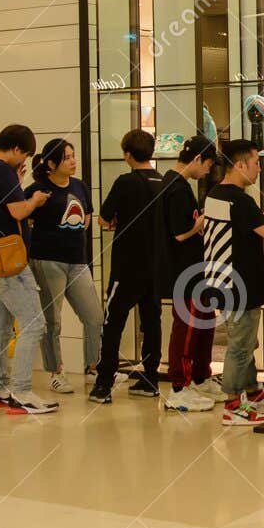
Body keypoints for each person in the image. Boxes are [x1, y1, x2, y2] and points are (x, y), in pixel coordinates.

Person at [201, 139, 264, 426]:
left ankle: (252, 393)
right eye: (257, 163)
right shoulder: (240, 200)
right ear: (240, 165)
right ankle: (233, 405)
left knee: (247, 340)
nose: (260, 169)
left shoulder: (214, 195)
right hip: (238, 285)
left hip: (222, 281)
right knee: (241, 345)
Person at [0, 125, 57, 414]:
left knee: (1, 325)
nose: (24, 162)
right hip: (8, 262)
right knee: (34, 324)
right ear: (17, 149)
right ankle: (21, 392)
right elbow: (17, 212)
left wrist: (17, 186)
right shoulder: (2, 170)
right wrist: (34, 200)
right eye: (26, 155)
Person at [92, 128, 165, 402]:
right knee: (152, 322)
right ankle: (150, 378)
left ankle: (103, 383)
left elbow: (105, 216)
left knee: (113, 323)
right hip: (155, 266)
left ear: (126, 154)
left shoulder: (125, 182)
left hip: (126, 266)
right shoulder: (163, 182)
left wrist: (114, 221)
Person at [28, 138, 103, 395]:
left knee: (94, 316)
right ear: (51, 163)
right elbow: (25, 220)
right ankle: (55, 371)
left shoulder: (80, 186)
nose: (73, 161)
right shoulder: (38, 190)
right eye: (67, 157)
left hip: (77, 260)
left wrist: (77, 228)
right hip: (48, 260)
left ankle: (93, 367)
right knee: (53, 321)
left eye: (73, 155)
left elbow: (88, 214)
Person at [155, 135, 221, 413]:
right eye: (207, 165)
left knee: (205, 322)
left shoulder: (175, 184)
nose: (207, 171)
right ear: (197, 159)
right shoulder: (176, 188)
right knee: (187, 327)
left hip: (195, 269)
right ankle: (179, 387)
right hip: (184, 271)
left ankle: (199, 376)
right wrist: (203, 222)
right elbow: (181, 233)